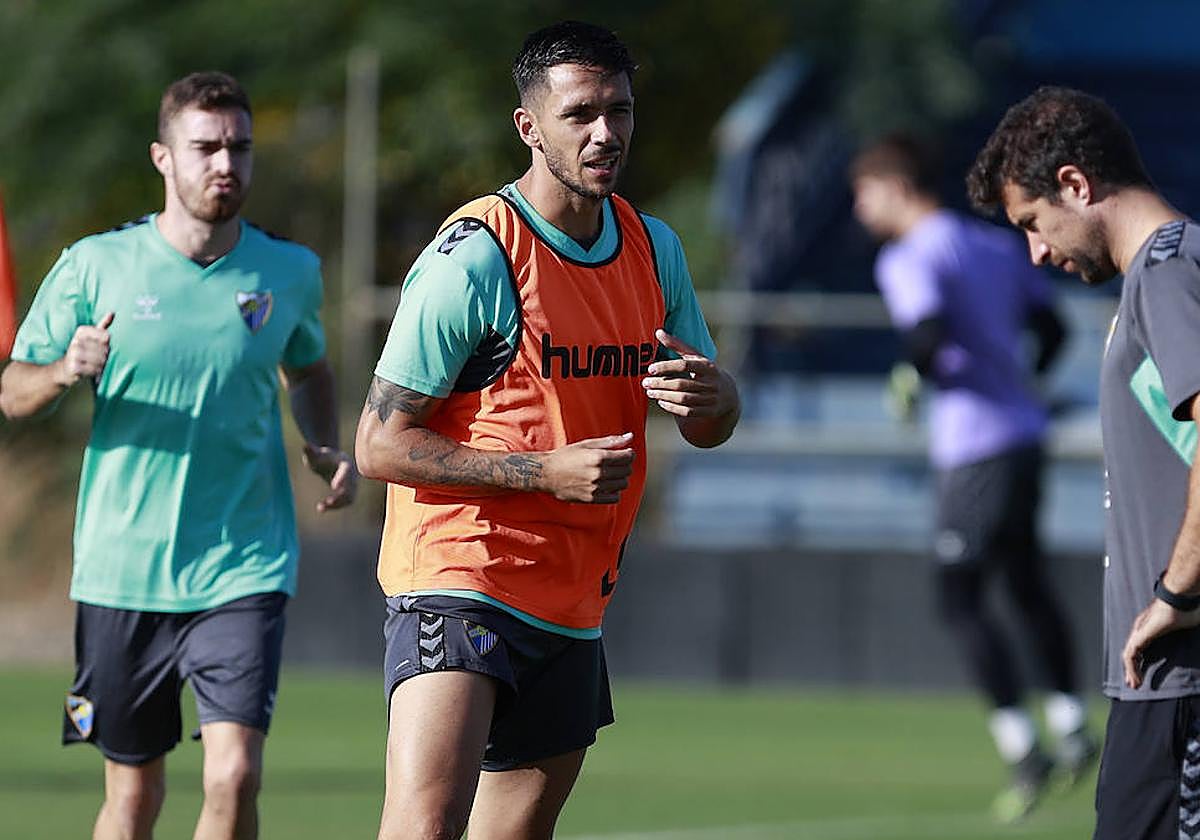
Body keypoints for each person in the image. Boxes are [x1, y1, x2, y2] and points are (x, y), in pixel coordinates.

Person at [355, 20, 740, 840]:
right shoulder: (475, 256)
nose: (606, 133)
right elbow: (378, 444)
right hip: (461, 575)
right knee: (425, 825)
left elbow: (710, 426)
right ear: (530, 127)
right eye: (581, 114)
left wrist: (718, 399)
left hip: (573, 598)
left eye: (619, 110)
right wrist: (543, 472)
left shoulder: (653, 248)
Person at [0, 72, 356, 840]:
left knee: (234, 773)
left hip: (243, 562)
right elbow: (13, 391)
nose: (226, 164)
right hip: (122, 568)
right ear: (163, 157)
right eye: (206, 148)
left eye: (239, 147)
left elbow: (309, 368)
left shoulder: (289, 271)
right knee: (134, 797)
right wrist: (63, 370)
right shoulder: (95, 266)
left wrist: (322, 440)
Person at [967, 84, 1200, 840]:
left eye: (1033, 224)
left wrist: (1179, 591)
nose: (1036, 252)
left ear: (1075, 184)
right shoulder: (1162, 274)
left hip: (1181, 681)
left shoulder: (1167, 268)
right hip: (1165, 685)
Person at [851, 133, 1095, 821]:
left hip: (975, 448)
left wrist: (910, 379)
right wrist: (1020, 385)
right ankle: (1072, 723)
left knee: (958, 594)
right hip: (1025, 435)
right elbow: (1053, 329)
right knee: (1023, 580)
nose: (861, 210)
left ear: (896, 186)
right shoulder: (992, 243)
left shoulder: (908, 256)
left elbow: (926, 337)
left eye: (865, 194)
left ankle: (1024, 746)